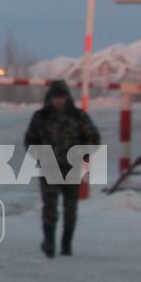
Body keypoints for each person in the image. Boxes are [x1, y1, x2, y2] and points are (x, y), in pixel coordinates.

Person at [23, 79, 101, 258]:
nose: (58, 101)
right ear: (50, 98)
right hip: (49, 168)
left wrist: (81, 154)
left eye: (61, 97)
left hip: (72, 168)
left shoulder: (78, 117)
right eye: (55, 98)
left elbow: (94, 138)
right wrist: (41, 155)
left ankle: (66, 244)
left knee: (70, 209)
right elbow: (30, 140)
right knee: (49, 207)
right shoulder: (40, 117)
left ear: (67, 98)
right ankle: (49, 241)